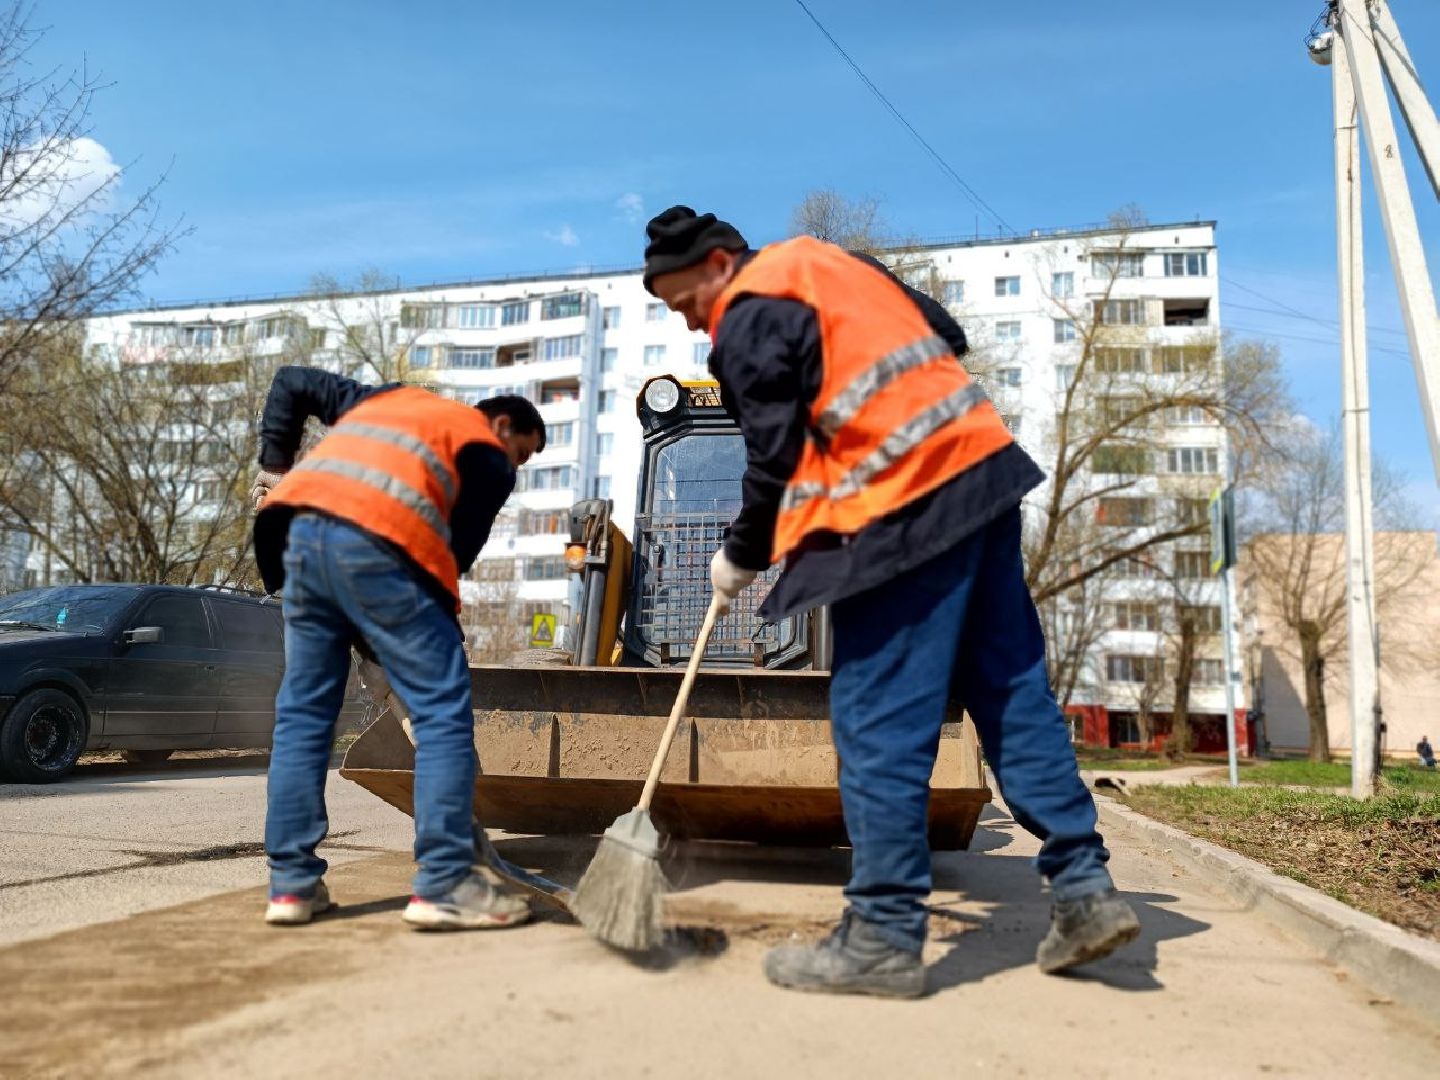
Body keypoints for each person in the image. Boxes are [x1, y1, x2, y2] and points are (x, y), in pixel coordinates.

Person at [643, 205, 1138, 998]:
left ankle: (881, 933)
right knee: (1008, 689)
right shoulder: (835, 266)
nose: (691, 320)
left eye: (683, 302)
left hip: (897, 510)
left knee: (879, 718)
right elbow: (945, 333)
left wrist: (740, 554)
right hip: (980, 476)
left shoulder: (745, 315)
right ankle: (1084, 890)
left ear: (716, 264)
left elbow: (771, 461)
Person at [251, 365, 544, 931]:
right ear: (503, 424)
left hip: (300, 539)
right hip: (383, 550)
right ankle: (445, 881)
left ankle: (291, 886)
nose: (517, 466)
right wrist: (431, 643)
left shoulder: (390, 401)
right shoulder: (485, 453)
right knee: (441, 714)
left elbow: (290, 382)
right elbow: (447, 563)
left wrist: (276, 469)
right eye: (523, 452)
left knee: (304, 717)